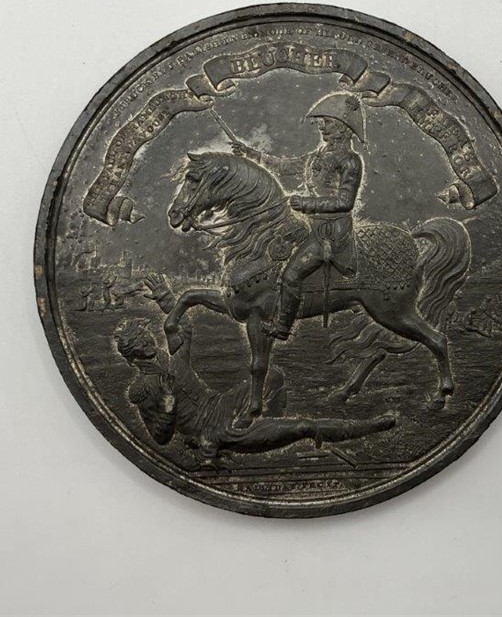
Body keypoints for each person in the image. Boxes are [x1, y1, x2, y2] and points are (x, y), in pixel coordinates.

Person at [115, 274, 394, 459]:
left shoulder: (170, 360)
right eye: (138, 341)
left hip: (221, 404)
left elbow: (182, 327)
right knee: (304, 426)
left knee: (273, 376)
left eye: (145, 335)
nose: (146, 340)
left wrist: (165, 298)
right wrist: (168, 404)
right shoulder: (141, 389)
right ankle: (369, 427)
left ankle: (266, 424)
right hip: (212, 429)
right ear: (131, 355)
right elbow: (160, 438)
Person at [233, 92, 366, 340]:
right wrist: (249, 153)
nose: (322, 126)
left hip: (330, 232)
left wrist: (305, 203)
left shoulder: (350, 161)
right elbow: (285, 166)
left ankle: (282, 327)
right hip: (312, 224)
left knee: (291, 275)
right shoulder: (318, 156)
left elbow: (345, 202)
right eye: (322, 122)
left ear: (342, 128)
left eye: (327, 122)